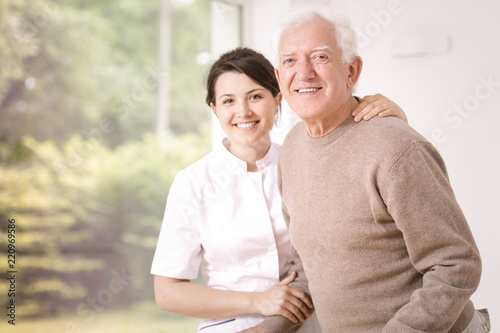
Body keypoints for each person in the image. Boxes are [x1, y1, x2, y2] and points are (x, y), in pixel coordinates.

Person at [254, 4, 491, 333]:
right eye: (290, 60)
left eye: (320, 57)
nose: (304, 72)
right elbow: (308, 269)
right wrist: (266, 329)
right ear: (280, 77)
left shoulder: (396, 148)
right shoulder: (292, 148)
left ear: (351, 71)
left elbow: (455, 265)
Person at [150, 47, 409, 332]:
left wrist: (396, 119)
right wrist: (259, 302)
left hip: (308, 320)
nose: (243, 112)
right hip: (232, 325)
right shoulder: (193, 183)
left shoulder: (303, 161)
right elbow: (168, 292)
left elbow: (365, 182)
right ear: (214, 109)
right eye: (228, 101)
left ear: (277, 100)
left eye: (255, 96)